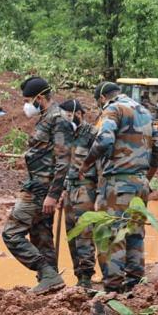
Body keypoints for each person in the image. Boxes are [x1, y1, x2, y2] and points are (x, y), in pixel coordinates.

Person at [89, 81, 158, 293]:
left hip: (117, 184)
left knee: (111, 234)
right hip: (140, 184)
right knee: (134, 233)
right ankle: (136, 288)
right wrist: (145, 178)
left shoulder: (112, 109)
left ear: (102, 98)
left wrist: (85, 164)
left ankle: (113, 289)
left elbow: (104, 142)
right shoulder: (146, 112)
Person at [2, 77, 73, 295]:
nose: (26, 105)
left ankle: (47, 273)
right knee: (41, 235)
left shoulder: (58, 119)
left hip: (42, 190)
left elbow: (64, 160)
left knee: (11, 233)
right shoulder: (46, 118)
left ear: (39, 98)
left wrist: (53, 194)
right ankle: (50, 282)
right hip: (37, 186)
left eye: (28, 100)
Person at [59, 100, 100, 289]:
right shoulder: (63, 136)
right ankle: (78, 275)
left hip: (86, 189)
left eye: (68, 114)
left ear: (79, 114)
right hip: (68, 190)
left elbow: (100, 164)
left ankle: (86, 278)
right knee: (71, 234)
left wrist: (100, 193)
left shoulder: (92, 134)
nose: (65, 118)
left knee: (84, 233)